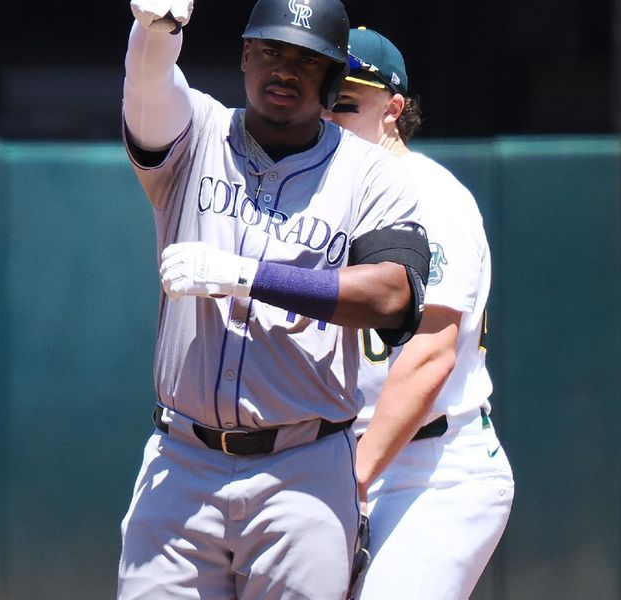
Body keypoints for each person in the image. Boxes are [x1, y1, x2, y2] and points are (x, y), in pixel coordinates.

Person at [117, 2, 431, 598]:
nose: (284, 70)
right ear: (244, 55)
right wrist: (155, 30)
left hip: (302, 470)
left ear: (333, 76)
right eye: (271, 51)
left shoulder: (370, 174)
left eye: (306, 61)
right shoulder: (197, 133)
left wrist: (248, 275)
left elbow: (392, 294)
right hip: (181, 461)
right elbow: (148, 86)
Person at [324, 27, 515, 599]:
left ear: (393, 108)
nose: (329, 116)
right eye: (322, 100)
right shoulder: (322, 197)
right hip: (337, 458)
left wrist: (350, 479)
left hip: (434, 468)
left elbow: (431, 353)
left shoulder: (430, 198)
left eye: (346, 103)